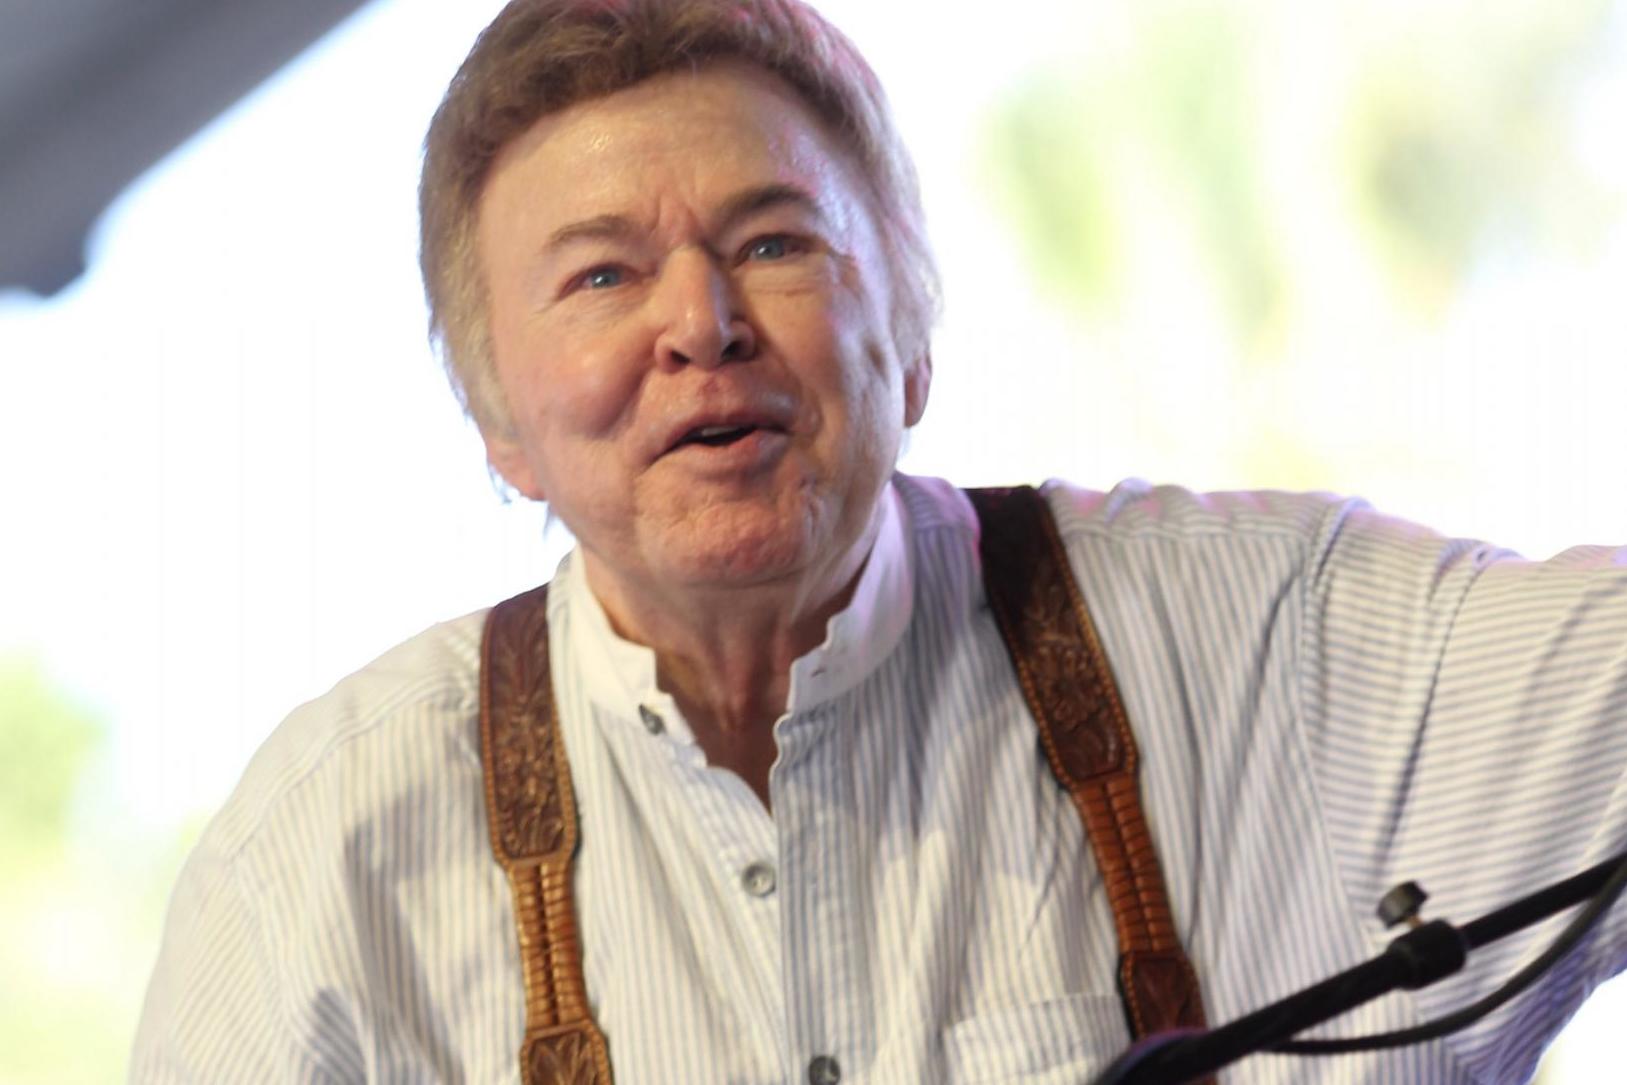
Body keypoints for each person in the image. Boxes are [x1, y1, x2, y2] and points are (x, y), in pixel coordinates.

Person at [130, 1, 1627, 1082]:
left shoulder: (1285, 653)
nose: (700, 322)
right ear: (497, 418)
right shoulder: (321, 870)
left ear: (909, 337)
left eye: (775, 240)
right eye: (599, 275)